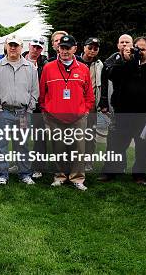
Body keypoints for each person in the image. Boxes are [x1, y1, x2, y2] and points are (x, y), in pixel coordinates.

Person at [100, 37, 146, 184]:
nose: (139, 52)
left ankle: (139, 175)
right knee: (115, 144)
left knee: (144, 147)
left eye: (143, 49)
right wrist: (129, 60)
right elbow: (112, 75)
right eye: (136, 49)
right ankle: (110, 171)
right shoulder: (124, 65)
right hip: (123, 114)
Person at [39, 34, 94, 191]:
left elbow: (89, 94)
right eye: (62, 48)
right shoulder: (48, 67)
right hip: (55, 117)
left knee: (78, 148)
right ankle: (60, 176)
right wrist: (46, 110)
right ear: (58, 48)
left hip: (78, 117)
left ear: (75, 49)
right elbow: (42, 92)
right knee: (58, 147)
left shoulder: (83, 68)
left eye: (68, 48)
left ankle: (77, 178)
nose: (64, 51)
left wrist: (85, 110)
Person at [0, 34, 39, 185]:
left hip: (23, 113)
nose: (13, 48)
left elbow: (35, 91)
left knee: (22, 145)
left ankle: (24, 174)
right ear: (6, 46)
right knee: (2, 145)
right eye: (10, 45)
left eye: (16, 45)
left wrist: (30, 110)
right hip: (4, 112)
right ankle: (2, 174)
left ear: (21, 48)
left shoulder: (30, 68)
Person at [23, 37, 49, 177]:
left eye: (39, 47)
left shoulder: (45, 63)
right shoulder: (19, 59)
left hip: (38, 105)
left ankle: (38, 167)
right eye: (34, 46)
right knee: (21, 136)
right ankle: (22, 163)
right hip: (21, 105)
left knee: (39, 138)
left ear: (42, 49)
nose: (36, 49)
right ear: (29, 46)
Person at [80, 37, 105, 170]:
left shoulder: (100, 64)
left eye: (95, 49)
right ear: (84, 48)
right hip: (76, 105)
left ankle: (88, 162)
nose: (92, 51)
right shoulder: (75, 62)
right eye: (90, 47)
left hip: (92, 106)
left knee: (90, 135)